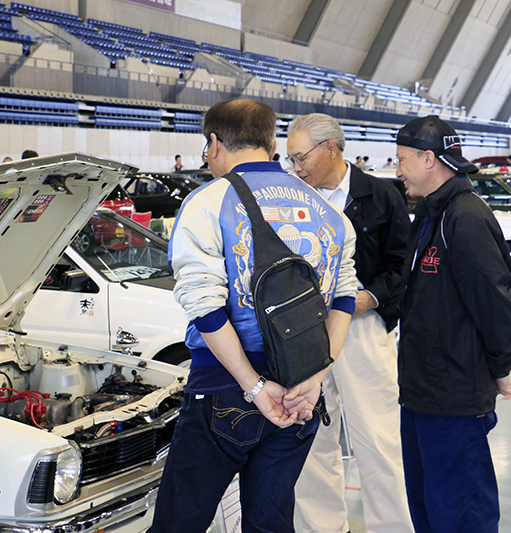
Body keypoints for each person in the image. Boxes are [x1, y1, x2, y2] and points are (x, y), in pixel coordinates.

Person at [148, 99, 358, 533]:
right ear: (272, 143)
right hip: (300, 393)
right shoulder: (329, 213)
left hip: (225, 391)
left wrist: (256, 387)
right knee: (270, 524)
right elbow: (343, 300)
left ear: (213, 143)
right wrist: (312, 380)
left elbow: (205, 307)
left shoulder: (207, 202)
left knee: (178, 525)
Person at [287, 113, 413, 533]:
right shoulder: (290, 199)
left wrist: (369, 298)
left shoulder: (382, 195)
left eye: (300, 157)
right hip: (306, 332)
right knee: (312, 440)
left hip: (362, 329)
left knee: (377, 439)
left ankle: (394, 526)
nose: (296, 167)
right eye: (289, 160)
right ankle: (324, 527)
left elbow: (402, 264)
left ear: (330, 149)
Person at [395, 115, 511, 532]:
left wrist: (502, 366)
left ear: (429, 159)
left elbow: (493, 299)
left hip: (454, 393)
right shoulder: (431, 214)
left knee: (461, 510)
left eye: (402, 159)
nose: (397, 168)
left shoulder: (464, 218)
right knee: (427, 503)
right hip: (422, 390)